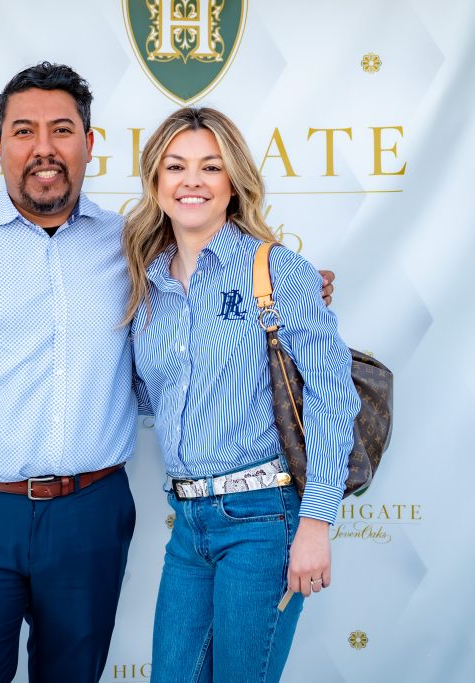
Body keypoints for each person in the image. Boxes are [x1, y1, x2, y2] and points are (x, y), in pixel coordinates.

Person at [0, 63, 335, 683]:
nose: (44, 148)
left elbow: (223, 368)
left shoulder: (131, 250)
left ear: (89, 144)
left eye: (62, 129)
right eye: (24, 131)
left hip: (90, 514)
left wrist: (295, 293)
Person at [123, 107, 361, 682]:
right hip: (189, 524)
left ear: (234, 183)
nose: (192, 181)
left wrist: (316, 523)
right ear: (156, 183)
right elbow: (149, 396)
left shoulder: (277, 270)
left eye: (211, 166)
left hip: (263, 522)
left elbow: (333, 397)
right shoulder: (145, 285)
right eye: (176, 167)